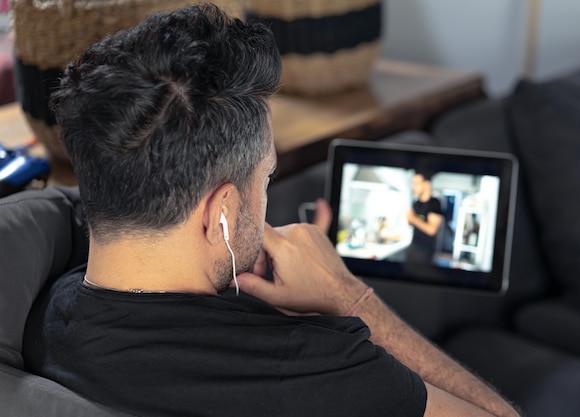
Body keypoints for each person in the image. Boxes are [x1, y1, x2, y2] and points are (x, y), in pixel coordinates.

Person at [23, 5, 520, 417]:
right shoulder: (313, 365)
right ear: (221, 209)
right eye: (265, 179)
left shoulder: (42, 312)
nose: (266, 203)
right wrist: (345, 296)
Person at [405, 173, 444, 266]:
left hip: (425, 251)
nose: (413, 186)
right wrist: (409, 219)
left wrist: (413, 219)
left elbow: (432, 230)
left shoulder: (435, 203)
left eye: (417, 183)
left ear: (427, 184)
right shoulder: (416, 202)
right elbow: (412, 223)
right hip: (414, 246)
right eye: (413, 183)